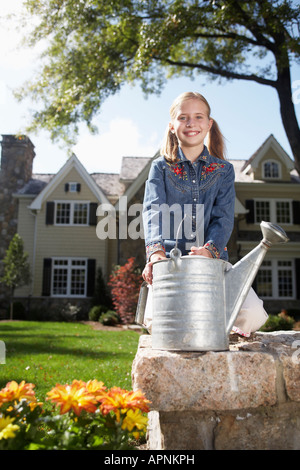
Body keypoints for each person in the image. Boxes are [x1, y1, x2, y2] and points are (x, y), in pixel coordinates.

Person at [141, 91, 268, 337]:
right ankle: (197, 319)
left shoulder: (223, 171)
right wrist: (155, 254)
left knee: (254, 315)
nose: (191, 123)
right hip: (170, 262)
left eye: (199, 117)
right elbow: (152, 209)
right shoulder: (160, 168)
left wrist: (210, 250)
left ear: (208, 124)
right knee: (159, 323)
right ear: (172, 126)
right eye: (183, 117)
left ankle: (216, 320)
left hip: (212, 263)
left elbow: (223, 218)